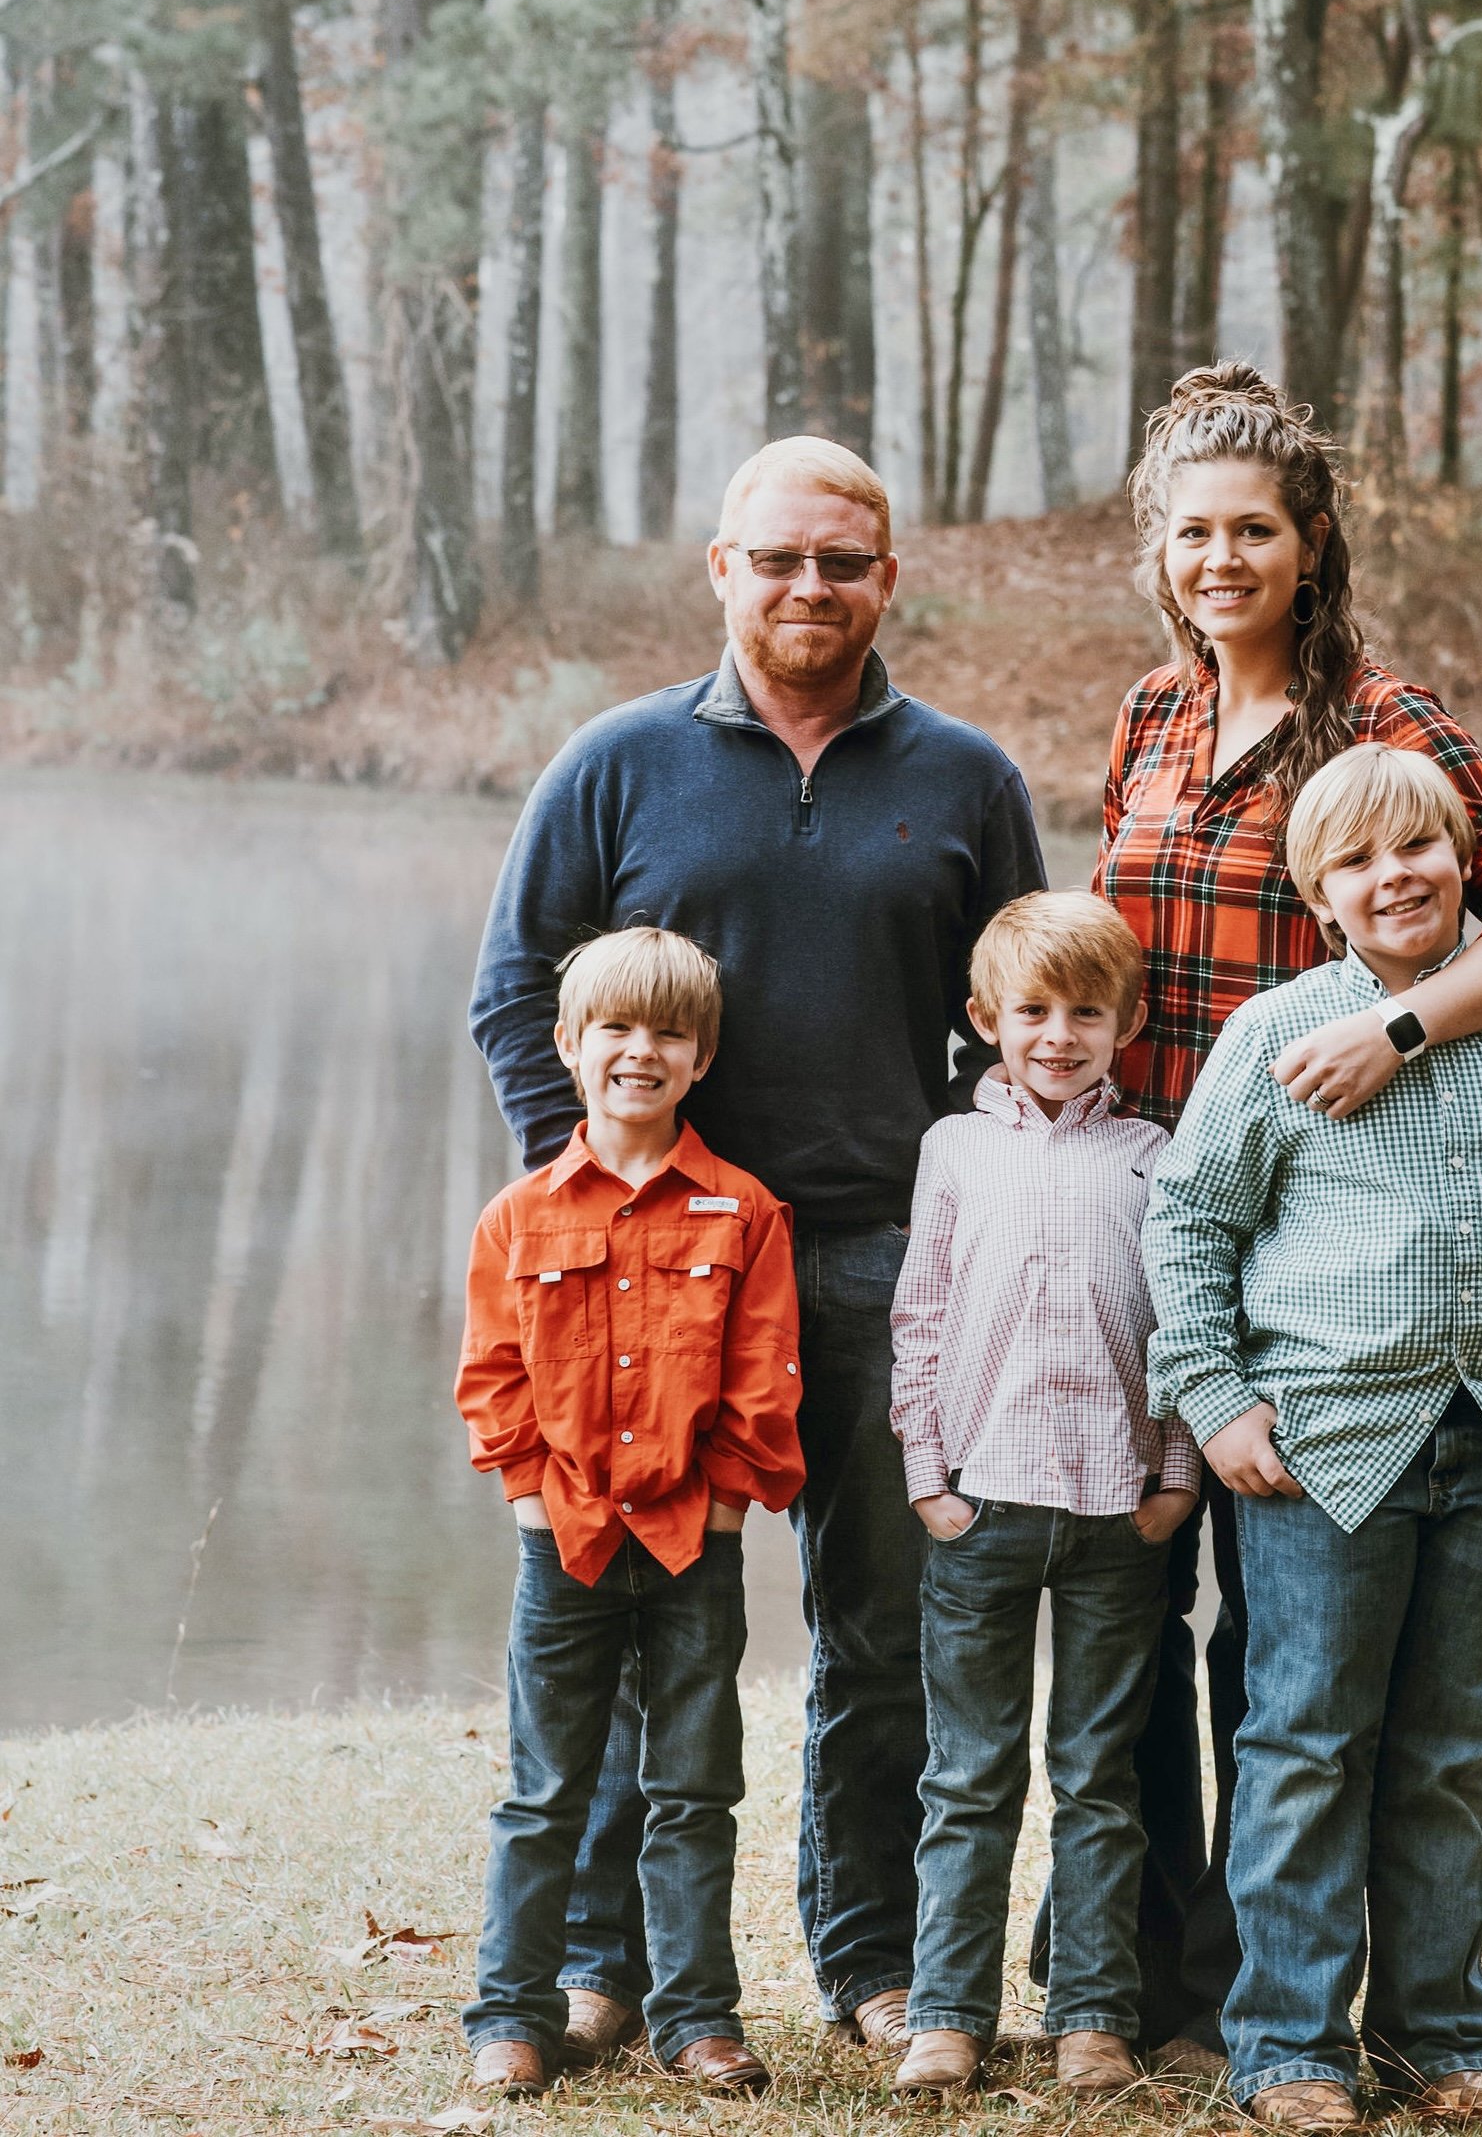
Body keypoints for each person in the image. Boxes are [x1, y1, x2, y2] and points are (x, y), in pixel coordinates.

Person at [469, 437, 1044, 2065]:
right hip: (646, 1280)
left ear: (886, 578)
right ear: (719, 568)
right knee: (629, 1634)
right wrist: (593, 1195)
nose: (809, 588)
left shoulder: (964, 781)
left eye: (842, 563)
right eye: (777, 558)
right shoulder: (616, 763)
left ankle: (865, 1962)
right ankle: (605, 1971)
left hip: (876, 1267)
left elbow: (1013, 1020)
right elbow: (518, 997)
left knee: (884, 1636)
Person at [1094, 365, 1482, 2069]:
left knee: (1293, 1668)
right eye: (1194, 536)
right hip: (1166, 1203)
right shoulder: (1147, 723)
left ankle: (1299, 2022)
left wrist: (1392, 1031)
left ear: (1308, 546)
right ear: (1159, 554)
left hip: (1340, 1220)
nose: (1221, 561)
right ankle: (1163, 1987)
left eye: (1254, 531)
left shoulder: (1375, 720)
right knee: (1134, 1615)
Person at [1145, 747, 1482, 2127]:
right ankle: (1289, 2047)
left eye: (1417, 849)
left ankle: (1438, 2038)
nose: (1395, 879)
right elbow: (1188, 1220)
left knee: (1445, 1754)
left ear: (1461, 860)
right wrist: (1216, 1394)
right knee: (1307, 1743)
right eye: (1359, 863)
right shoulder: (1275, 1035)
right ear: (1320, 895)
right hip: (1322, 1444)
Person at [455, 928, 805, 2101]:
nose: (639, 1052)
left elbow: (764, 1373)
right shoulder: (517, 1216)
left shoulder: (743, 1211)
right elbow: (492, 1376)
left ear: (701, 1057)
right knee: (545, 1787)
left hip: (690, 1546)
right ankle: (511, 2012)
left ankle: (696, 2013)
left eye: (667, 1033)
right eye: (614, 1029)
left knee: (693, 1789)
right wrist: (521, 1495)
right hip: (562, 1542)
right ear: (568, 1045)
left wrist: (720, 1505)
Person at [888, 893, 1202, 2101]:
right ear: (987, 1020)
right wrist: (927, 1477)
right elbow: (917, 1322)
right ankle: (948, 2016)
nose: (1059, 1033)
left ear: (1129, 1021)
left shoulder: (1155, 1157)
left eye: (1086, 1011)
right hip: (982, 1506)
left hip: (1119, 1516)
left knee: (1100, 1778)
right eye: (1033, 1010)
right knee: (968, 1776)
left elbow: (1183, 1330)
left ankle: (1091, 2019)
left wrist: (1176, 1476)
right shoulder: (955, 1149)